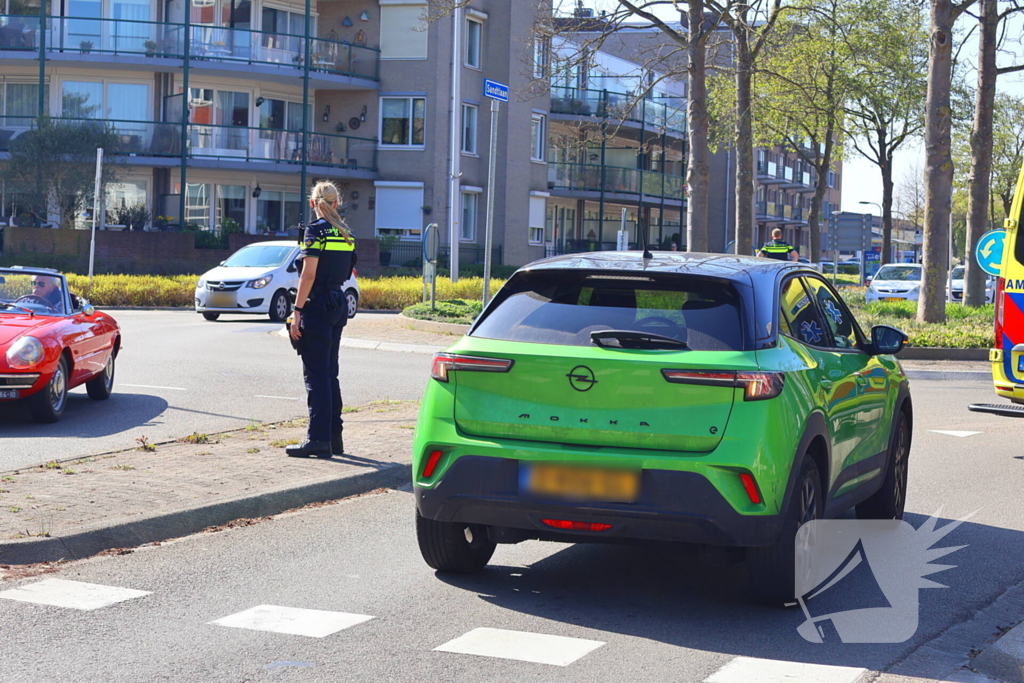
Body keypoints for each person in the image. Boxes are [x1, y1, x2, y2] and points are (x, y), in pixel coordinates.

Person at [286, 181, 356, 459]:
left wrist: (297, 310)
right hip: (338, 301)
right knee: (330, 373)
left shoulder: (314, 232)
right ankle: (334, 438)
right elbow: (349, 269)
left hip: (317, 304)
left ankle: (317, 439)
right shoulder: (347, 233)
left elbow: (308, 275)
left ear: (313, 203)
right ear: (336, 203)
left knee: (315, 375)